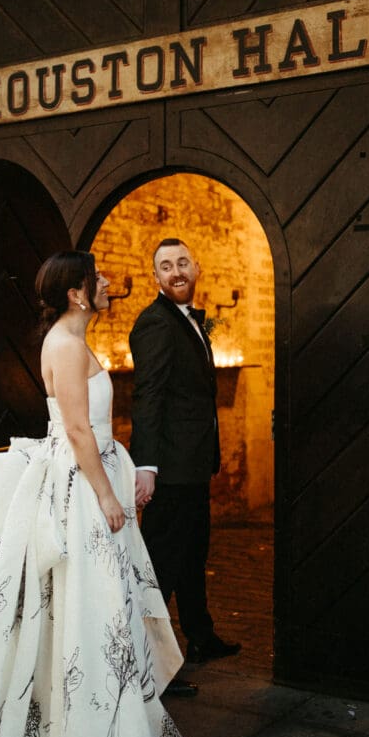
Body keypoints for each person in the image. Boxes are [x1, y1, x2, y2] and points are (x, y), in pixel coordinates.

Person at [0, 251, 187, 737]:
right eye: (99, 279)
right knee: (85, 603)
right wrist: (107, 496)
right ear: (76, 293)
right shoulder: (64, 347)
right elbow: (76, 430)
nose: (109, 283)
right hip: (81, 490)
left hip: (87, 480)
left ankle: (94, 721)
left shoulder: (74, 340)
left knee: (91, 607)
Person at [129, 237, 241, 696]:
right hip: (171, 467)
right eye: (165, 267)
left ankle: (200, 637)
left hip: (192, 463)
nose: (175, 272)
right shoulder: (155, 324)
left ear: (196, 268)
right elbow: (148, 395)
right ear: (155, 278)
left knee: (194, 555)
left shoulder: (189, 320)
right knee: (161, 567)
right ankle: (149, 665)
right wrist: (148, 465)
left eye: (181, 263)